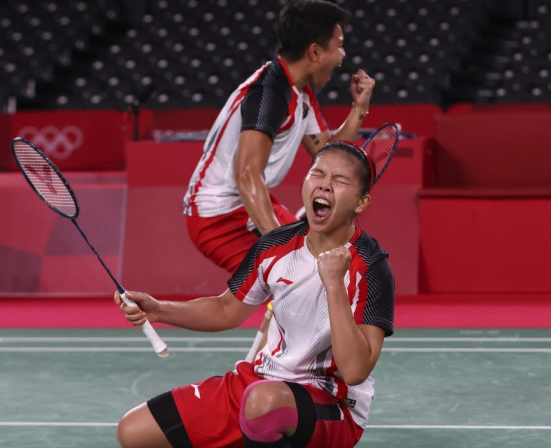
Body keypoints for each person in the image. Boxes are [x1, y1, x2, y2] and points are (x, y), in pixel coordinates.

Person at [115, 140, 395, 448]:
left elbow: (355, 371)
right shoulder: (275, 245)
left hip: (330, 403)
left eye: (339, 180)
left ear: (361, 203)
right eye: (318, 174)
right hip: (260, 383)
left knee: (263, 405)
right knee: (134, 432)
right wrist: (159, 310)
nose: (325, 185)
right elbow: (225, 309)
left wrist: (333, 285)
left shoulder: (371, 266)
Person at [184, 0, 376, 273]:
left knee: (312, 269)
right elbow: (247, 175)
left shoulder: (299, 93)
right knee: (299, 276)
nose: (342, 56)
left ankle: (154, 308)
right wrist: (278, 246)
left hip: (247, 203)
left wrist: (359, 108)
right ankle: (154, 307)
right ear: (315, 52)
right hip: (217, 216)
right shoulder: (269, 92)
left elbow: (332, 154)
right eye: (339, 45)